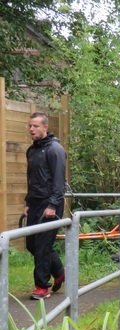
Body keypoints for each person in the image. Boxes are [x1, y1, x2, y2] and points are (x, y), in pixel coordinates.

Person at [24, 112, 67, 300]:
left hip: (50, 204)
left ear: (45, 127)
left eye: (35, 126)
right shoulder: (31, 151)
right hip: (34, 203)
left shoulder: (55, 150)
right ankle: (59, 271)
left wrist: (52, 205)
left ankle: (41, 287)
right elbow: (32, 179)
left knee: (42, 246)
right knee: (32, 244)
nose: (32, 129)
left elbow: (59, 182)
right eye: (30, 126)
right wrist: (27, 202)